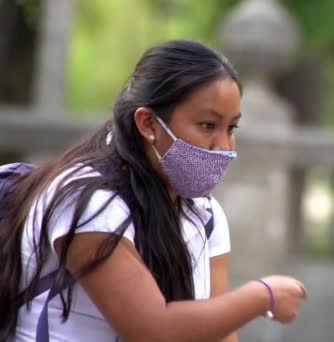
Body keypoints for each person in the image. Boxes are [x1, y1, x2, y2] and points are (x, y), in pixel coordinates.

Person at [0, 39, 307, 342]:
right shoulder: (89, 202)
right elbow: (153, 330)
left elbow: (218, 332)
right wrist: (260, 297)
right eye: (207, 125)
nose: (223, 147)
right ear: (148, 123)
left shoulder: (204, 214)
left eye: (231, 129)